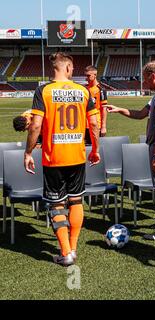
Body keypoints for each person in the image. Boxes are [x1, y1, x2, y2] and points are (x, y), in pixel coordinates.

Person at [24, 52, 100, 266]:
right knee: (76, 200)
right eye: (73, 69)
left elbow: (36, 125)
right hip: (77, 156)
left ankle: (65, 253)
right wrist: (95, 149)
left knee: (57, 204)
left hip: (53, 158)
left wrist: (28, 152)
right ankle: (73, 248)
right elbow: (94, 124)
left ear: (53, 69)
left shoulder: (44, 90)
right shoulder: (83, 91)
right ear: (67, 68)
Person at [106, 62, 155, 240]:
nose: (144, 82)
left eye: (145, 78)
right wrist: (119, 109)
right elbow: (140, 114)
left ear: (153, 75)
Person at [85, 66, 108, 140]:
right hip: (84, 125)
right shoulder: (85, 89)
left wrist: (103, 127)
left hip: (96, 124)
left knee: (96, 149)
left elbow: (104, 108)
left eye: (88, 76)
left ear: (95, 75)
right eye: (86, 75)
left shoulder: (101, 89)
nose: (86, 78)